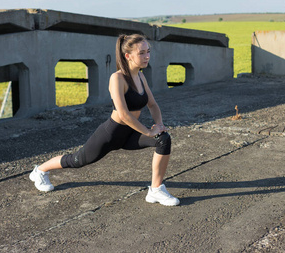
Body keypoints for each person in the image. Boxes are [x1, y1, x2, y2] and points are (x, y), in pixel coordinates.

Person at [29, 34, 180, 206]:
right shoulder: (117, 78)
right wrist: (148, 131)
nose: (147, 56)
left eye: (148, 52)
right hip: (111, 133)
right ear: (128, 56)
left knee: (163, 139)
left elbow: (152, 105)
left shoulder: (140, 77)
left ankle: (156, 190)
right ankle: (39, 171)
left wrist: (158, 125)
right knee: (78, 160)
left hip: (131, 133)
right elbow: (123, 114)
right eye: (142, 53)